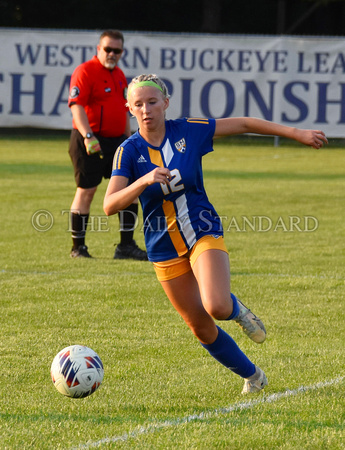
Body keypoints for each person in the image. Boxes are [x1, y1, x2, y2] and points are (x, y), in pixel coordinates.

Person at [103, 74, 328, 393]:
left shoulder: (188, 129)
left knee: (218, 306)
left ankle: (238, 310)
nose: (146, 109)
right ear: (129, 108)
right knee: (200, 328)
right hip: (162, 246)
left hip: (202, 229)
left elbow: (244, 124)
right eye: (138, 104)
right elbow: (109, 205)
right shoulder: (128, 151)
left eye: (152, 102)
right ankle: (254, 377)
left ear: (166, 104)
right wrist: (143, 181)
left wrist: (296, 133)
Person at [68, 30, 147, 260]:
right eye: (108, 49)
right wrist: (88, 136)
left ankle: (126, 246)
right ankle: (78, 248)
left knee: (130, 189)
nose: (112, 54)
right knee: (87, 191)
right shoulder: (85, 71)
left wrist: (130, 138)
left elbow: (125, 111)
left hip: (118, 141)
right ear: (98, 49)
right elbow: (76, 105)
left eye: (117, 50)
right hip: (90, 139)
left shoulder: (120, 75)